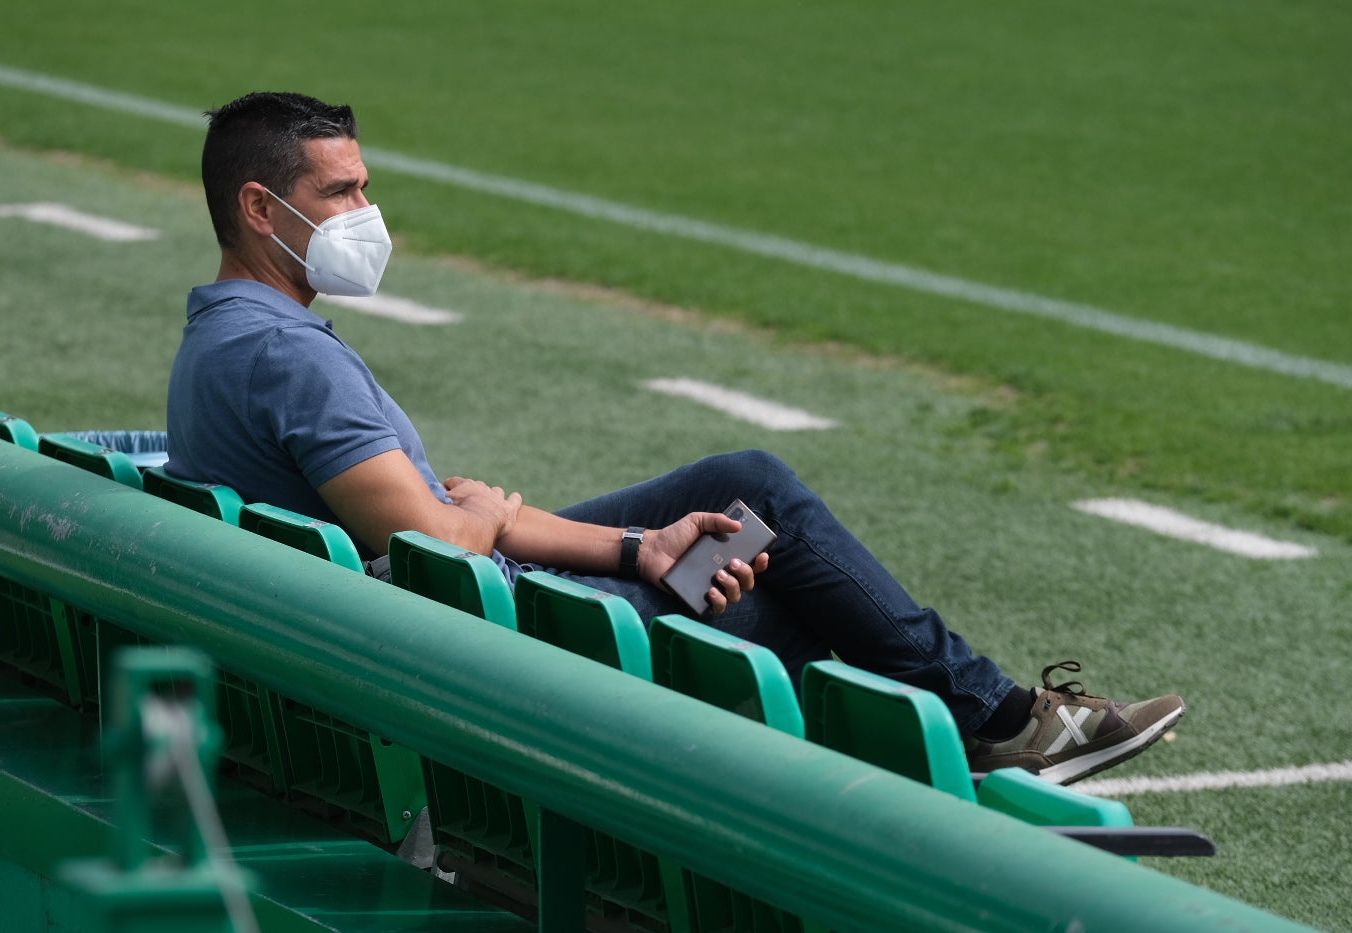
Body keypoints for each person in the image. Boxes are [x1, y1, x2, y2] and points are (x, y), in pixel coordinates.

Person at [166, 91, 1184, 785]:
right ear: (261, 207)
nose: (368, 214)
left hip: (427, 624)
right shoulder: (288, 358)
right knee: (774, 566)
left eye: (364, 186)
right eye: (341, 193)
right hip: (501, 649)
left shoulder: (225, 332)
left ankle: (989, 722)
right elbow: (428, 546)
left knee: (741, 488)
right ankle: (1000, 730)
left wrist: (625, 547)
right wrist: (473, 515)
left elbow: (441, 525)